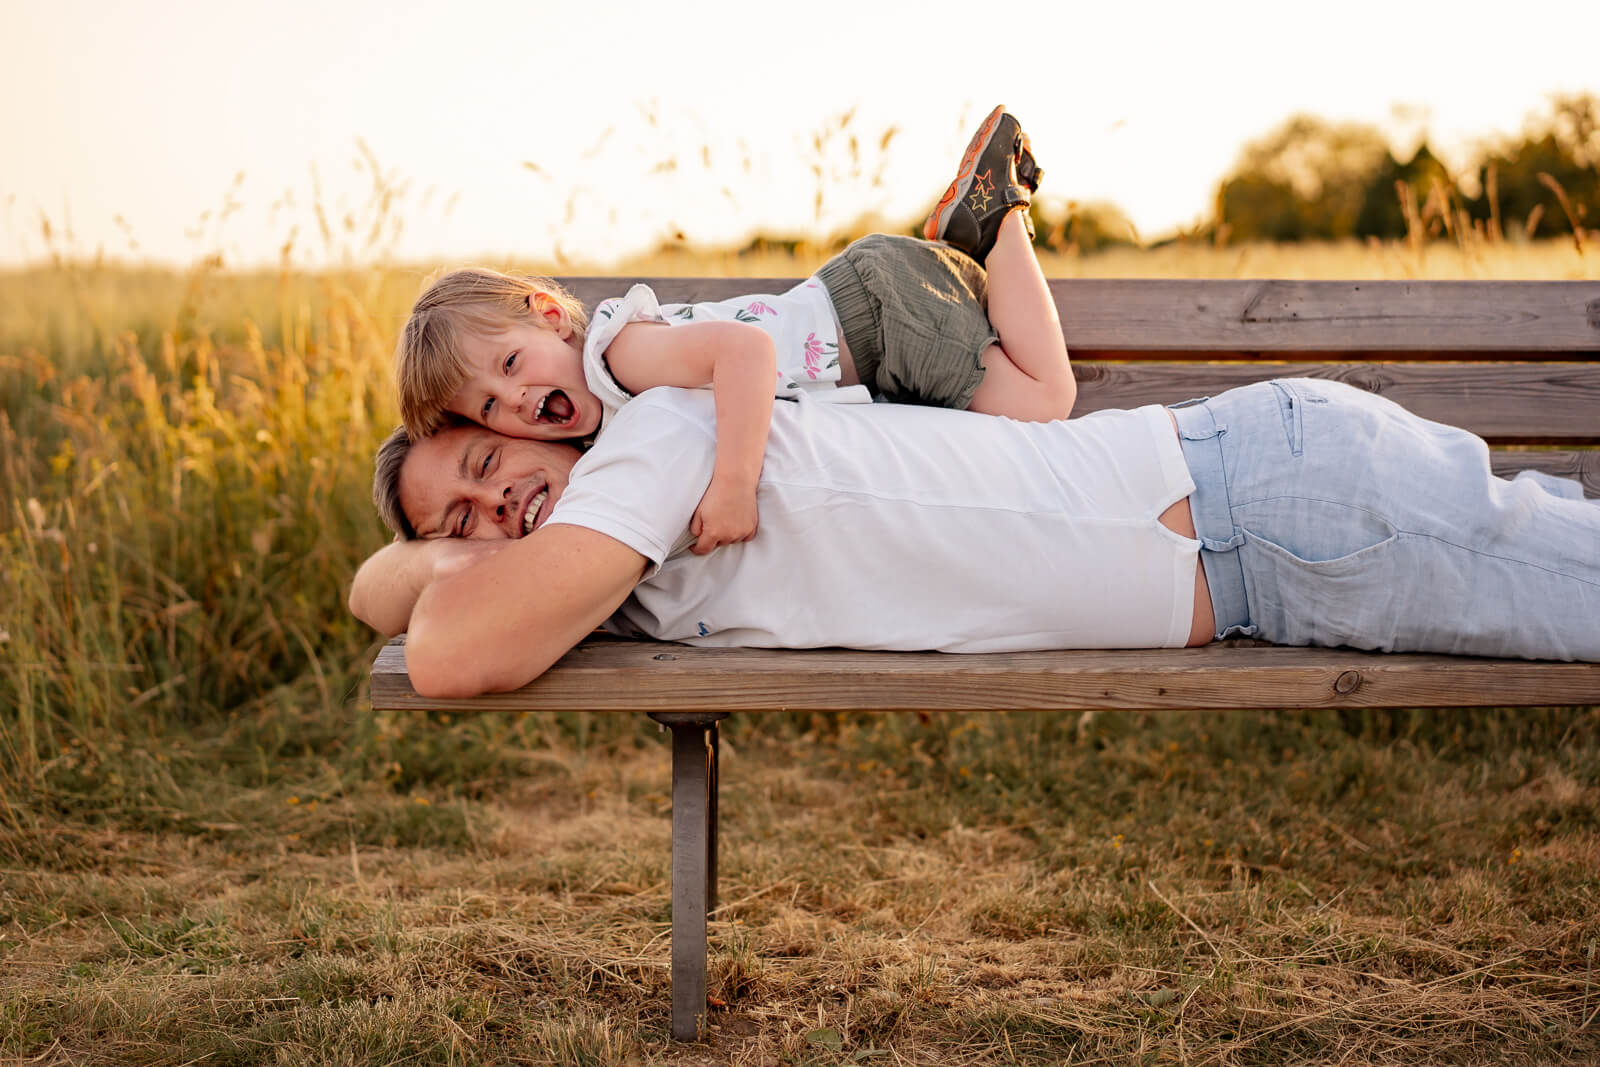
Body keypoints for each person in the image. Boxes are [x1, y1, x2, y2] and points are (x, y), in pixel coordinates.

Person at [349, 377, 1600, 698]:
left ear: (519, 420)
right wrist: (440, 557)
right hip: (1269, 539)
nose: (494, 508)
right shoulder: (603, 545)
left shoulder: (651, 447)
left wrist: (447, 567)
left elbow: (455, 656)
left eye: (484, 464)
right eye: (458, 521)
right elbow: (379, 599)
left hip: (1277, 515)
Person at [391, 106, 1072, 553]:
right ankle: (973, 230)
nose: (511, 401)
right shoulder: (597, 408)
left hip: (876, 316)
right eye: (486, 406)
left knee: (1044, 403)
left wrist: (735, 484)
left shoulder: (617, 355)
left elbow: (745, 353)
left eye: (510, 365)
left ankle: (998, 214)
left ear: (547, 315)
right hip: (870, 332)